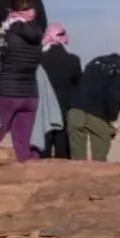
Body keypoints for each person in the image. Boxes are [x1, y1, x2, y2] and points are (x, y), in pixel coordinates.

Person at [0, 0, 63, 180]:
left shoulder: (7, 34)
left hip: (7, 93)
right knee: (26, 144)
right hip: (30, 95)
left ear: (12, 11)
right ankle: (30, 183)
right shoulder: (38, 36)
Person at [66, 53, 120, 162]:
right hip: (98, 116)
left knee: (77, 161)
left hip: (75, 111)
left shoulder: (95, 61)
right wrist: (112, 119)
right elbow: (114, 97)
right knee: (99, 163)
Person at [38, 24, 81, 159]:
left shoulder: (38, 59)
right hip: (64, 106)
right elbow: (79, 83)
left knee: (43, 147)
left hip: (43, 107)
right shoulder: (73, 60)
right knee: (62, 146)